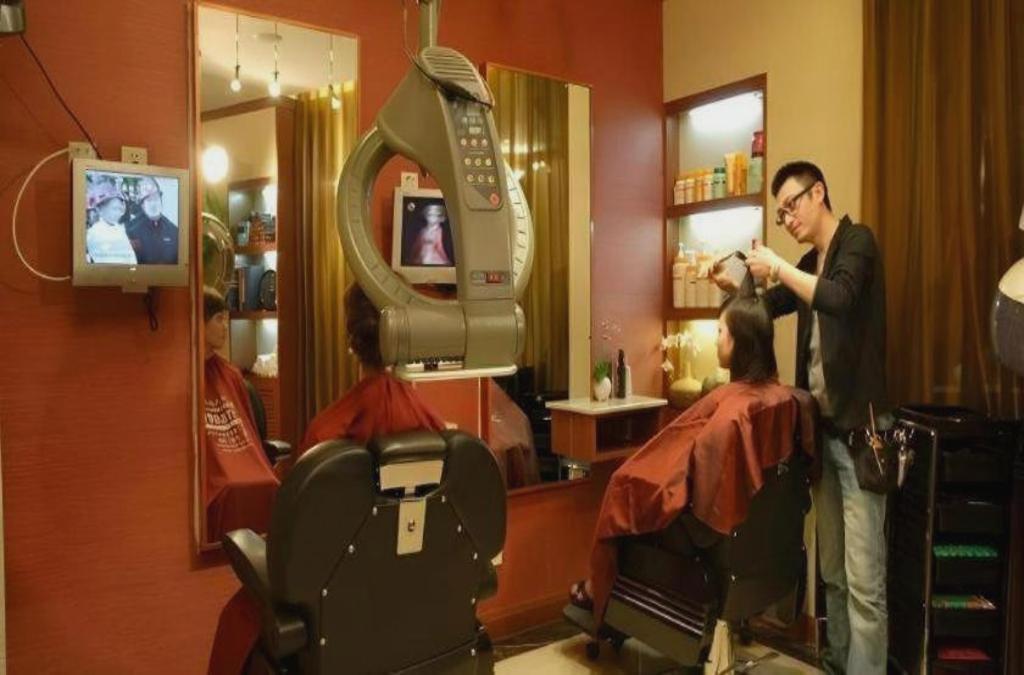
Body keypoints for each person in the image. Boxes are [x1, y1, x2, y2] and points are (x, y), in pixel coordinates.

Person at [208, 284, 448, 675]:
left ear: (351, 342)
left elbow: (297, 549)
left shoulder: (328, 436)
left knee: (239, 617)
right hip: (411, 600)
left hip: (336, 610)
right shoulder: (436, 430)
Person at [712, 161, 889, 674]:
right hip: (823, 435)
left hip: (862, 436)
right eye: (781, 213)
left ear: (819, 193)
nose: (787, 218)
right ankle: (836, 665)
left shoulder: (857, 244)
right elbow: (766, 307)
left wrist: (779, 267)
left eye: (792, 206)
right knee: (832, 574)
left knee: (865, 584)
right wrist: (732, 288)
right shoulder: (811, 262)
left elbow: (839, 298)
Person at [569, 289, 816, 622]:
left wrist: (634, 485)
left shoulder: (733, 416)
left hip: (705, 537)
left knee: (622, 496)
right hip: (758, 544)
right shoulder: (785, 399)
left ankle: (596, 589)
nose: (715, 340)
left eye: (720, 331)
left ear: (738, 342)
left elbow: (703, 493)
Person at [202, 288, 279, 543]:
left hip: (245, 463)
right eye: (219, 319)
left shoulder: (232, 376)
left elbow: (250, 435)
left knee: (270, 484)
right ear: (199, 322)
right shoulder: (187, 378)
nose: (225, 327)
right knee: (229, 489)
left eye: (226, 319)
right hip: (218, 476)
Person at [127, 176, 179, 264]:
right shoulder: (131, 230)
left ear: (161, 198)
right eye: (149, 200)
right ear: (141, 204)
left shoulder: (173, 230)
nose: (153, 203)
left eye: (156, 198)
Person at [85, 178, 137, 264]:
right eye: (114, 209)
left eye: (119, 209)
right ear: (100, 210)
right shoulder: (94, 232)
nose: (118, 213)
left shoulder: (119, 229)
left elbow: (130, 254)